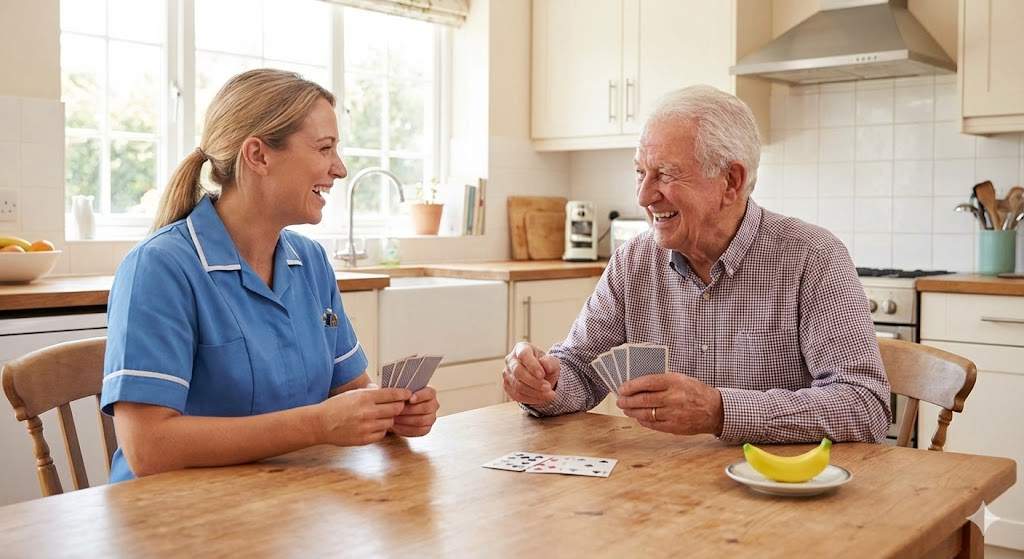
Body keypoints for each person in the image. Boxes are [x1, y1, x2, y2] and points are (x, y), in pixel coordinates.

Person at [502, 85, 890, 444]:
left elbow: (865, 406)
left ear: (731, 181)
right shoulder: (633, 262)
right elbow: (580, 370)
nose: (643, 196)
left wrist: (721, 412)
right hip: (667, 490)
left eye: (665, 174)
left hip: (783, 496)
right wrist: (545, 385)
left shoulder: (813, 257)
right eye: (640, 172)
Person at [101, 69, 439, 481]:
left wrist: (391, 411)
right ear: (258, 155)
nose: (340, 168)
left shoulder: (311, 261)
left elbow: (349, 392)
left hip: (284, 502)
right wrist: (317, 425)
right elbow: (148, 448)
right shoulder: (159, 268)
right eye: (324, 148)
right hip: (173, 520)